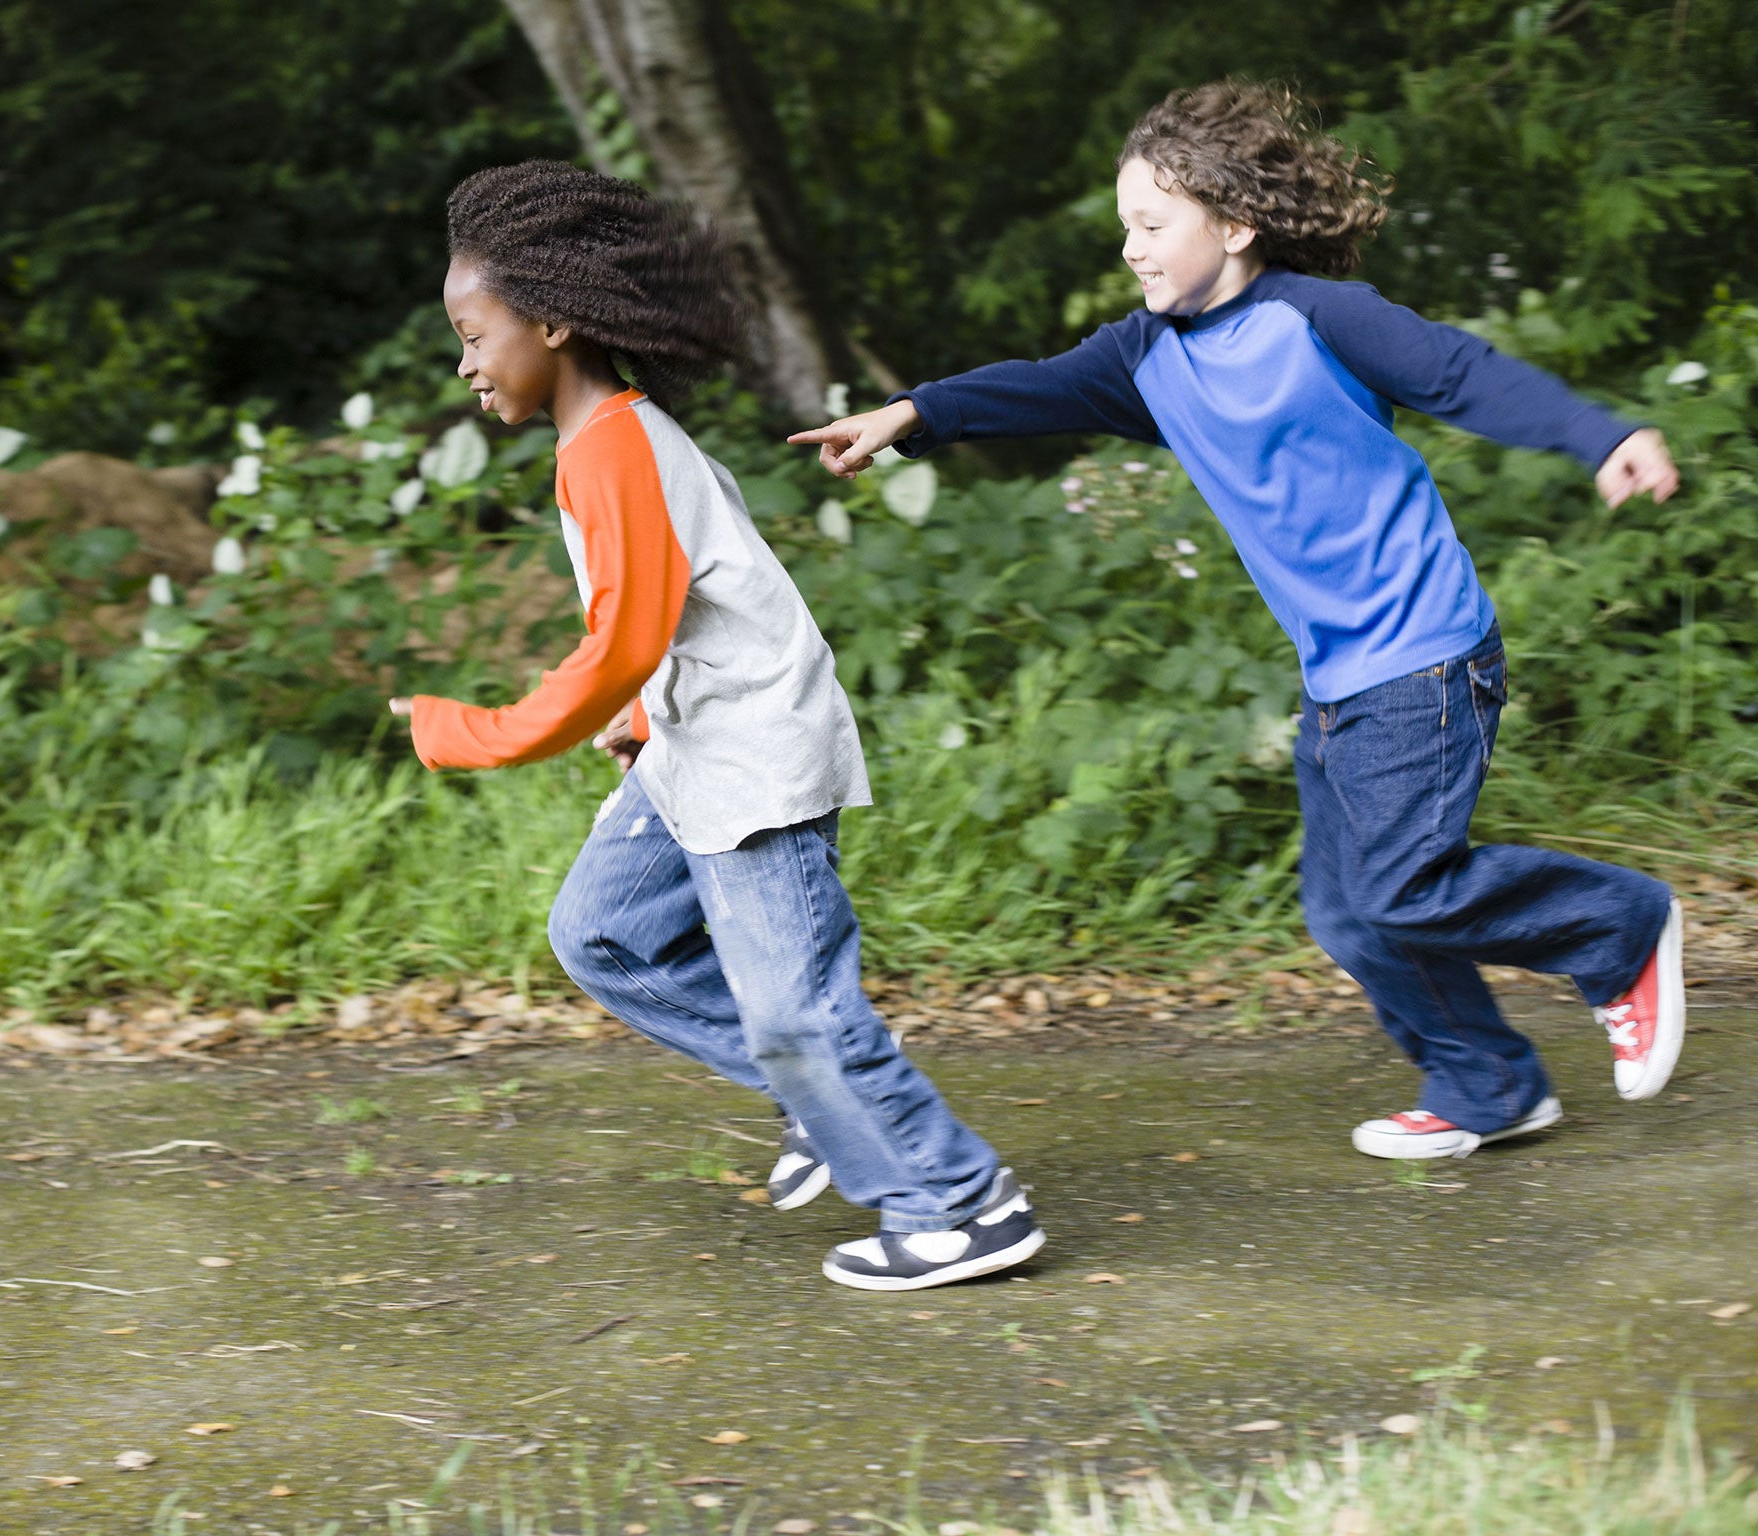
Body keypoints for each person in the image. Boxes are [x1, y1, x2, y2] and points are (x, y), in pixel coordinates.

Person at [790, 81, 1685, 1161]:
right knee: (1350, 914)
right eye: (1124, 226)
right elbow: (1031, 387)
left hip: (1425, 652)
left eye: (1152, 224)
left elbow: (1458, 374)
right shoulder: (1145, 357)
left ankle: (1617, 929)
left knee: (1401, 884)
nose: (1131, 248)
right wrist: (908, 415)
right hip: (1338, 675)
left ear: (1233, 224)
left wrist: (1598, 437)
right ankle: (1488, 1085)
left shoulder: (1317, 319)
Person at [389, 161, 1043, 1287]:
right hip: (692, 742)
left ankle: (956, 1202)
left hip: (752, 759)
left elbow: (620, 644)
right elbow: (665, 615)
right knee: (601, 934)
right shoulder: (599, 441)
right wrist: (642, 714)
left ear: (550, 321)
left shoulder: (616, 448)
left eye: (471, 334)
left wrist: (473, 730)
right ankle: (820, 1106)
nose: (463, 365)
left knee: (798, 1011)